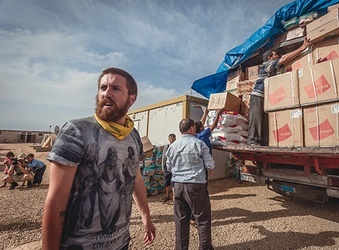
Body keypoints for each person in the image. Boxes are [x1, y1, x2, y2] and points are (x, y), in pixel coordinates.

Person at [41, 67, 156, 250]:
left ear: (131, 99)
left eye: (115, 89)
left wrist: (145, 216)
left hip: (120, 243)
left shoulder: (133, 136)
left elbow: (136, 179)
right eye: (103, 88)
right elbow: (56, 200)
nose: (106, 94)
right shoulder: (77, 131)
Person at [247, 37, 312, 146]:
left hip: (267, 99)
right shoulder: (267, 65)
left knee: (265, 122)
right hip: (258, 96)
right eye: (275, 54)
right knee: (257, 119)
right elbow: (285, 58)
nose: (278, 56)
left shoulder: (274, 69)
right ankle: (252, 141)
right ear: (269, 57)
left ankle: (263, 143)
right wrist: (302, 47)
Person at [166, 118, 215, 250]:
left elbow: (169, 167)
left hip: (178, 186)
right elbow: (210, 165)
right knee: (202, 219)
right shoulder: (199, 144)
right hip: (196, 186)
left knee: (181, 220)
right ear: (192, 128)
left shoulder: (172, 146)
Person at [161, 133, 176, 202]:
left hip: (175, 167)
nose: (171, 140)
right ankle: (167, 195)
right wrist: (163, 167)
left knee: (174, 182)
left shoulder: (177, 147)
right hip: (167, 167)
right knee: (167, 181)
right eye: (170, 139)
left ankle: (174, 196)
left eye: (173, 139)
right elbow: (163, 158)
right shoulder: (166, 148)